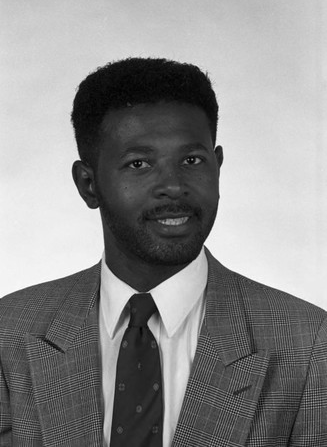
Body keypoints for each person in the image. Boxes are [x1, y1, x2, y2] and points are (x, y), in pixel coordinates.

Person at [0, 57, 326, 447]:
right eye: (139, 163)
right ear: (88, 184)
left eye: (192, 160)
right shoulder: (10, 333)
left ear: (218, 167)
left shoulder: (307, 344)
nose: (173, 186)